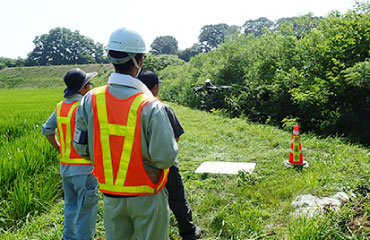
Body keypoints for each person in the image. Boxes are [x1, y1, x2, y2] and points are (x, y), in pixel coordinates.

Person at [73, 27, 178, 240]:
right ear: (139, 61)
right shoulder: (150, 105)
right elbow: (165, 157)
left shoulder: (90, 100)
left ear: (111, 57)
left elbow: (81, 146)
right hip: (147, 196)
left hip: (111, 196)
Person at [138, 71, 202, 240]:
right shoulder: (162, 108)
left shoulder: (132, 109)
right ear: (155, 88)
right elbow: (176, 136)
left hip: (140, 165)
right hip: (166, 165)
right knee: (177, 198)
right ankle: (188, 231)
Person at [42, 68, 99, 240]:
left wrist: (59, 147)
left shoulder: (61, 107)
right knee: (86, 212)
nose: (90, 88)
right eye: (89, 84)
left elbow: (47, 130)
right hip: (85, 168)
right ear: (82, 88)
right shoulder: (85, 106)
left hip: (66, 167)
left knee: (71, 207)